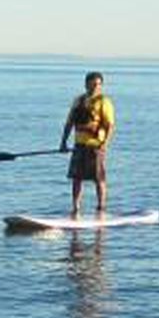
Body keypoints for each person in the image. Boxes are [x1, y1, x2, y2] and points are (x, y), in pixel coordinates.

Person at [60, 71, 115, 215]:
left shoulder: (104, 102)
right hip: (79, 145)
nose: (95, 87)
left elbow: (109, 125)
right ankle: (75, 208)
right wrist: (63, 142)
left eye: (98, 84)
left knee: (98, 178)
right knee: (76, 178)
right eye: (92, 84)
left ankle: (101, 207)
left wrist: (105, 144)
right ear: (86, 84)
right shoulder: (78, 100)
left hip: (96, 145)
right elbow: (69, 123)